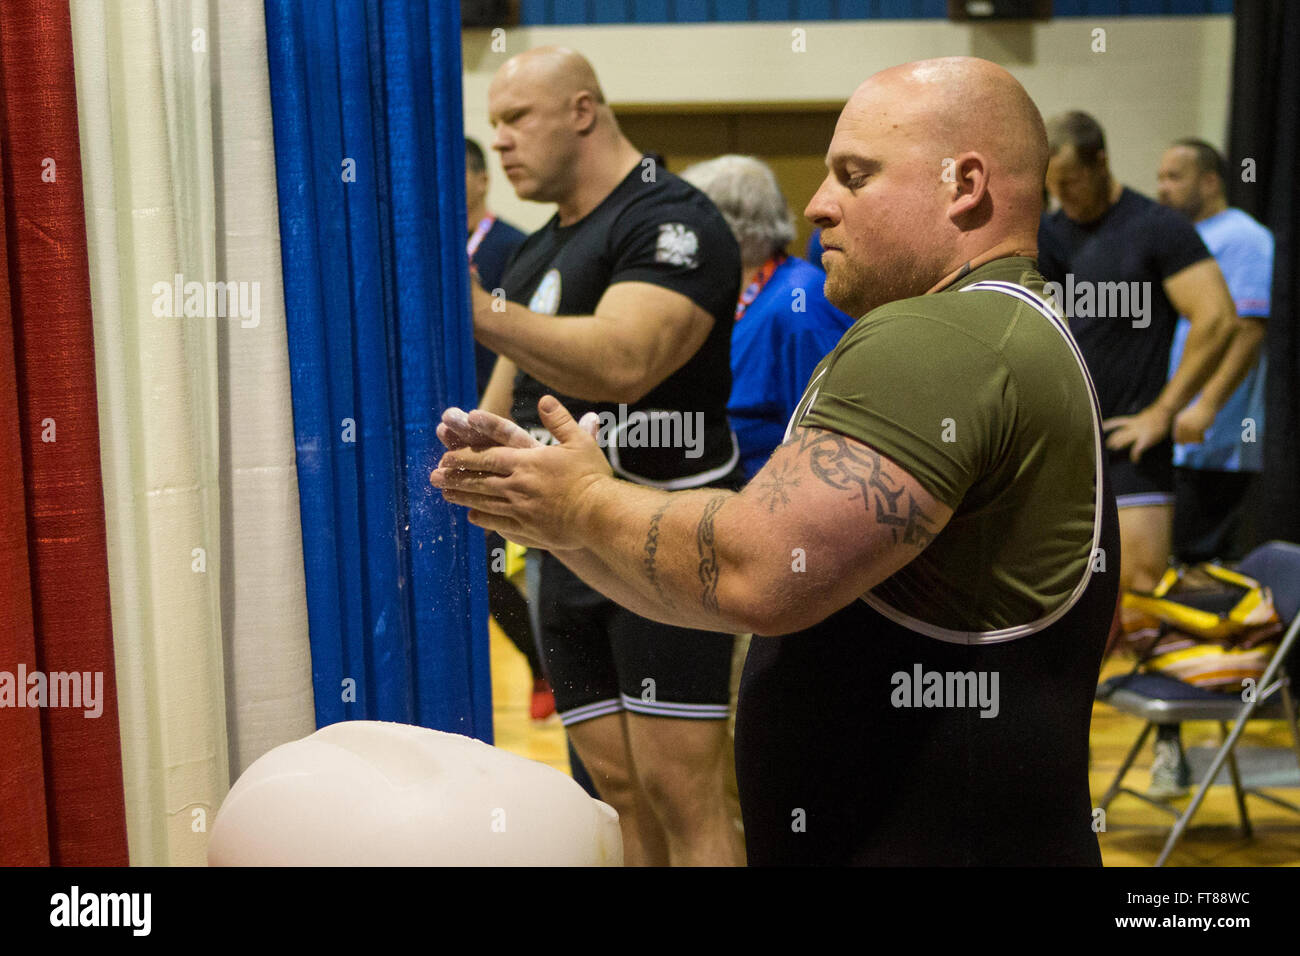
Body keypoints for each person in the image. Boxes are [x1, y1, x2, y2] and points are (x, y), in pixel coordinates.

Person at [435, 56, 1121, 865]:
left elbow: (761, 571)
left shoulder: (941, 339)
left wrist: (585, 504)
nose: (816, 205)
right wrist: (553, 510)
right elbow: (730, 593)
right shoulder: (999, 328)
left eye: (854, 177)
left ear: (962, 184)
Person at [470, 47, 745, 866]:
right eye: (495, 125)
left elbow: (625, 361)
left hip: (664, 542)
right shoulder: (534, 252)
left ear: (583, 110)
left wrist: (476, 306)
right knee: (616, 790)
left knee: (685, 793)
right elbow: (505, 396)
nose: (503, 141)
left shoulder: (672, 220)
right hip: (568, 556)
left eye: (516, 118)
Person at [1037, 112, 1241, 623]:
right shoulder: (1047, 234)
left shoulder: (1156, 227)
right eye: (1053, 186)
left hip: (1132, 439)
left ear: (1101, 161)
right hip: (1061, 438)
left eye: (1072, 181)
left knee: (1138, 587)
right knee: (1052, 591)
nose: (1064, 195)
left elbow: (1217, 318)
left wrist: (1164, 411)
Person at [1145, 138, 1275, 799]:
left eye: (1175, 176)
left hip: (1213, 445)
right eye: (1159, 177)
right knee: (1170, 583)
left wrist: (1205, 405)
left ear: (1211, 180)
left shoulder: (1243, 237)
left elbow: (1248, 332)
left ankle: (1183, 736)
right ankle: (1180, 732)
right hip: (1173, 440)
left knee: (1189, 583)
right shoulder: (1184, 241)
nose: (1162, 187)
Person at [680, 155, 855, 479]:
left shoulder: (801, 302)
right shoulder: (735, 291)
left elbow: (822, 444)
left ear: (725, 227)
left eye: (691, 221)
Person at [463, 137, 550, 719]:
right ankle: (542, 665)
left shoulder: (514, 247)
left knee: (498, 556)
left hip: (504, 424)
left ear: (479, 178)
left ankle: (546, 667)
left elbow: (522, 345)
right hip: (453, 420)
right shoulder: (431, 247)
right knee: (480, 563)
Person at [465, 137, 527, 398]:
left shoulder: (516, 244)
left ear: (484, 181)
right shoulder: (428, 251)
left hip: (494, 393)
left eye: (457, 172)